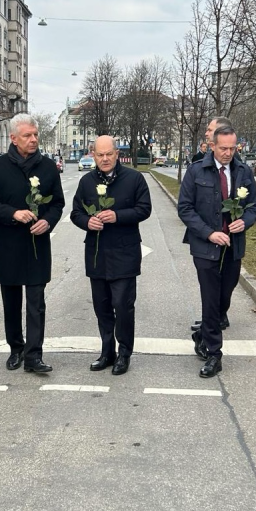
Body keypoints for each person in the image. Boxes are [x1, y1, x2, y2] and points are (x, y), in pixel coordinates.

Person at [0, 113, 65, 374]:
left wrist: (48, 221)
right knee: (12, 302)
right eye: (27, 135)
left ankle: (34, 355)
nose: (33, 140)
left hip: (37, 245)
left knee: (36, 302)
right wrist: (13, 213)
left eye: (35, 135)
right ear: (13, 138)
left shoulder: (49, 167)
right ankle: (15, 348)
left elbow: (57, 203)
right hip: (8, 244)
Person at [178, 125, 256, 379]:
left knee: (224, 297)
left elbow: (254, 206)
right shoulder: (196, 171)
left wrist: (244, 221)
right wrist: (209, 233)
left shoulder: (244, 172)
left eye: (232, 148)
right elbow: (185, 209)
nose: (228, 153)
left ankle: (203, 333)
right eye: (223, 148)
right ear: (211, 145)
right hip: (205, 246)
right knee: (211, 298)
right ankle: (215, 354)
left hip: (233, 246)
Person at [70, 135, 152, 375]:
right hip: (97, 253)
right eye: (99, 155)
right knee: (102, 306)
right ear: (93, 155)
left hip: (125, 252)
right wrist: (87, 222)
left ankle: (125, 353)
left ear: (117, 154)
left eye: (109, 154)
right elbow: (75, 212)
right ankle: (107, 352)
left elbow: (144, 209)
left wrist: (118, 216)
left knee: (123, 306)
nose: (104, 159)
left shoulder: (134, 178)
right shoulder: (86, 182)